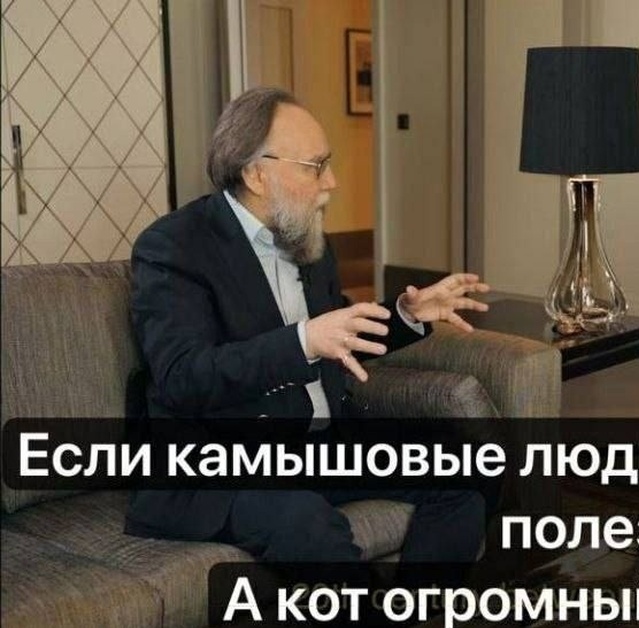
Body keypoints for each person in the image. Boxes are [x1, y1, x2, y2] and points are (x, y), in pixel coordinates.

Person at [126, 86, 489, 566]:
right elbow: (184, 377)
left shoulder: (306, 239)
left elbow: (338, 333)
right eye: (315, 166)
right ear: (257, 174)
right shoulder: (174, 246)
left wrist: (407, 314)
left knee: (465, 465)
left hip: (316, 449)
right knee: (306, 524)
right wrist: (303, 342)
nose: (331, 182)